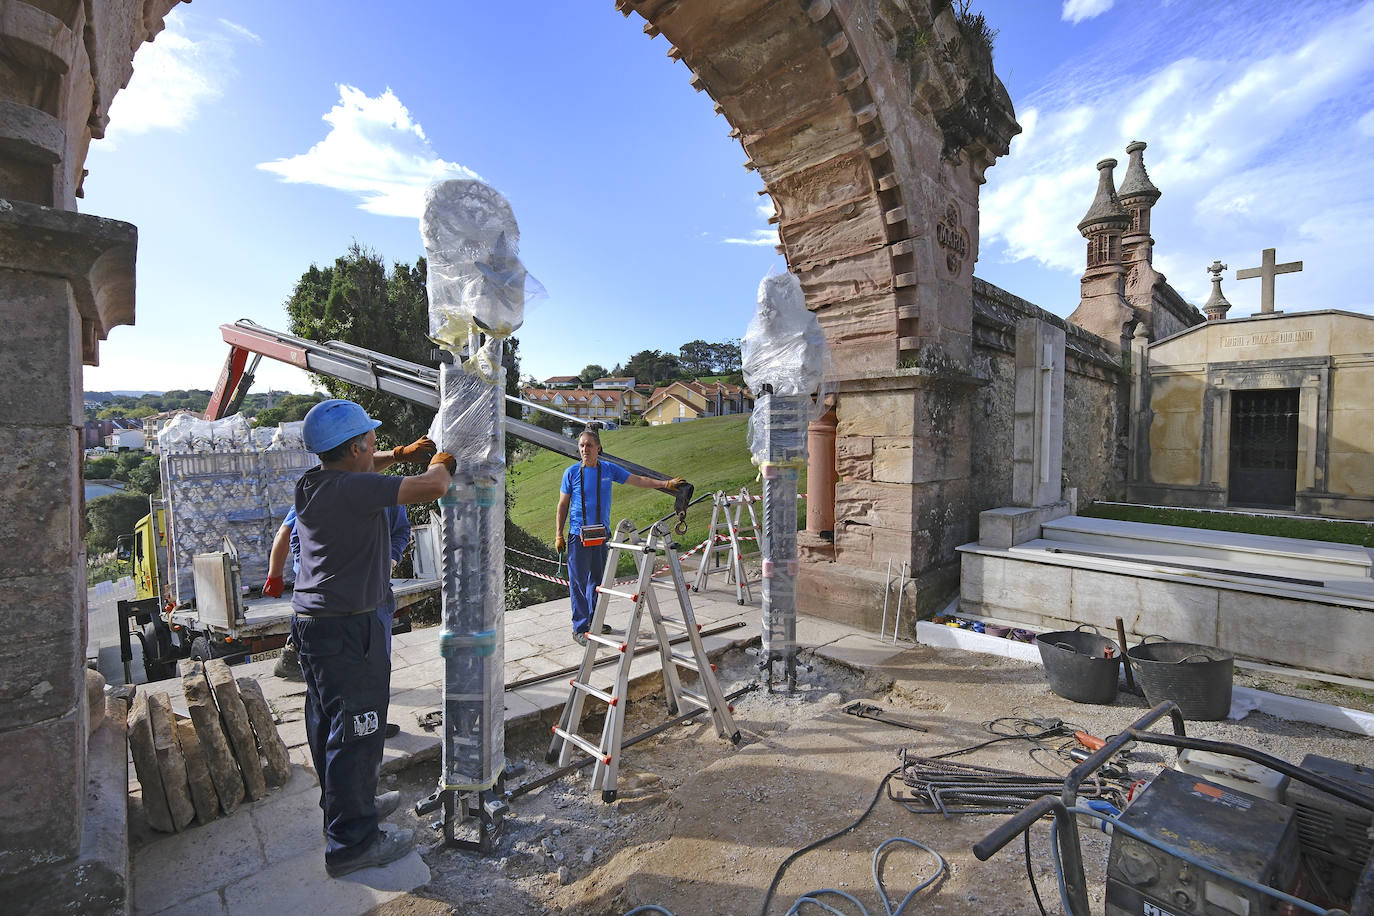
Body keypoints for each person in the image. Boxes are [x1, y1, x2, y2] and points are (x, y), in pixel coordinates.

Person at [289, 399, 450, 878]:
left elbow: (368, 465)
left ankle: (344, 808)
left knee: (326, 723)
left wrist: (398, 453)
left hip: (314, 624)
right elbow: (435, 486)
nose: (375, 449)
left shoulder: (313, 482)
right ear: (356, 447)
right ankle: (353, 843)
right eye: (372, 444)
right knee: (357, 729)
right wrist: (442, 458)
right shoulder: (354, 491)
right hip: (349, 629)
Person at [268, 505, 411, 716]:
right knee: (331, 682)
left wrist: (391, 557)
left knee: (374, 673)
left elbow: (401, 530)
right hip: (328, 604)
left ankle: (372, 726)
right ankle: (349, 732)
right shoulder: (318, 488)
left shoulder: (387, 494)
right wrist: (307, 571)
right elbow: (292, 536)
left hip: (374, 599)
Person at [554, 423, 684, 646]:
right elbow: (562, 505)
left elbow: (638, 480)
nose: (585, 449)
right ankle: (580, 627)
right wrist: (559, 534)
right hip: (578, 535)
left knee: (598, 580)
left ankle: (595, 620)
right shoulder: (572, 473)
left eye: (589, 446)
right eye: (582, 446)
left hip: (600, 535)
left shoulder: (608, 470)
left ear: (598, 448)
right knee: (577, 582)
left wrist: (666, 484)